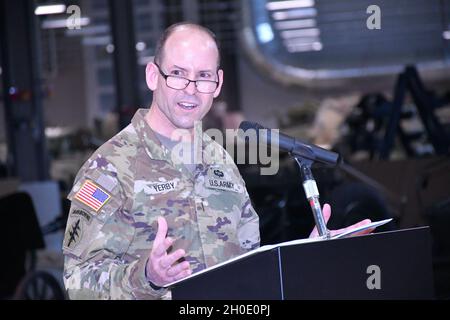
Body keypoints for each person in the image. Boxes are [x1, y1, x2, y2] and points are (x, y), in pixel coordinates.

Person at [62, 22, 372, 300]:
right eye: (178, 74)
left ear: (218, 83)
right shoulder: (109, 167)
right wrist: (147, 277)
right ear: (153, 76)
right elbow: (78, 283)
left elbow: (250, 267)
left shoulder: (221, 161)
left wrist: (301, 256)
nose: (191, 90)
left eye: (203, 77)